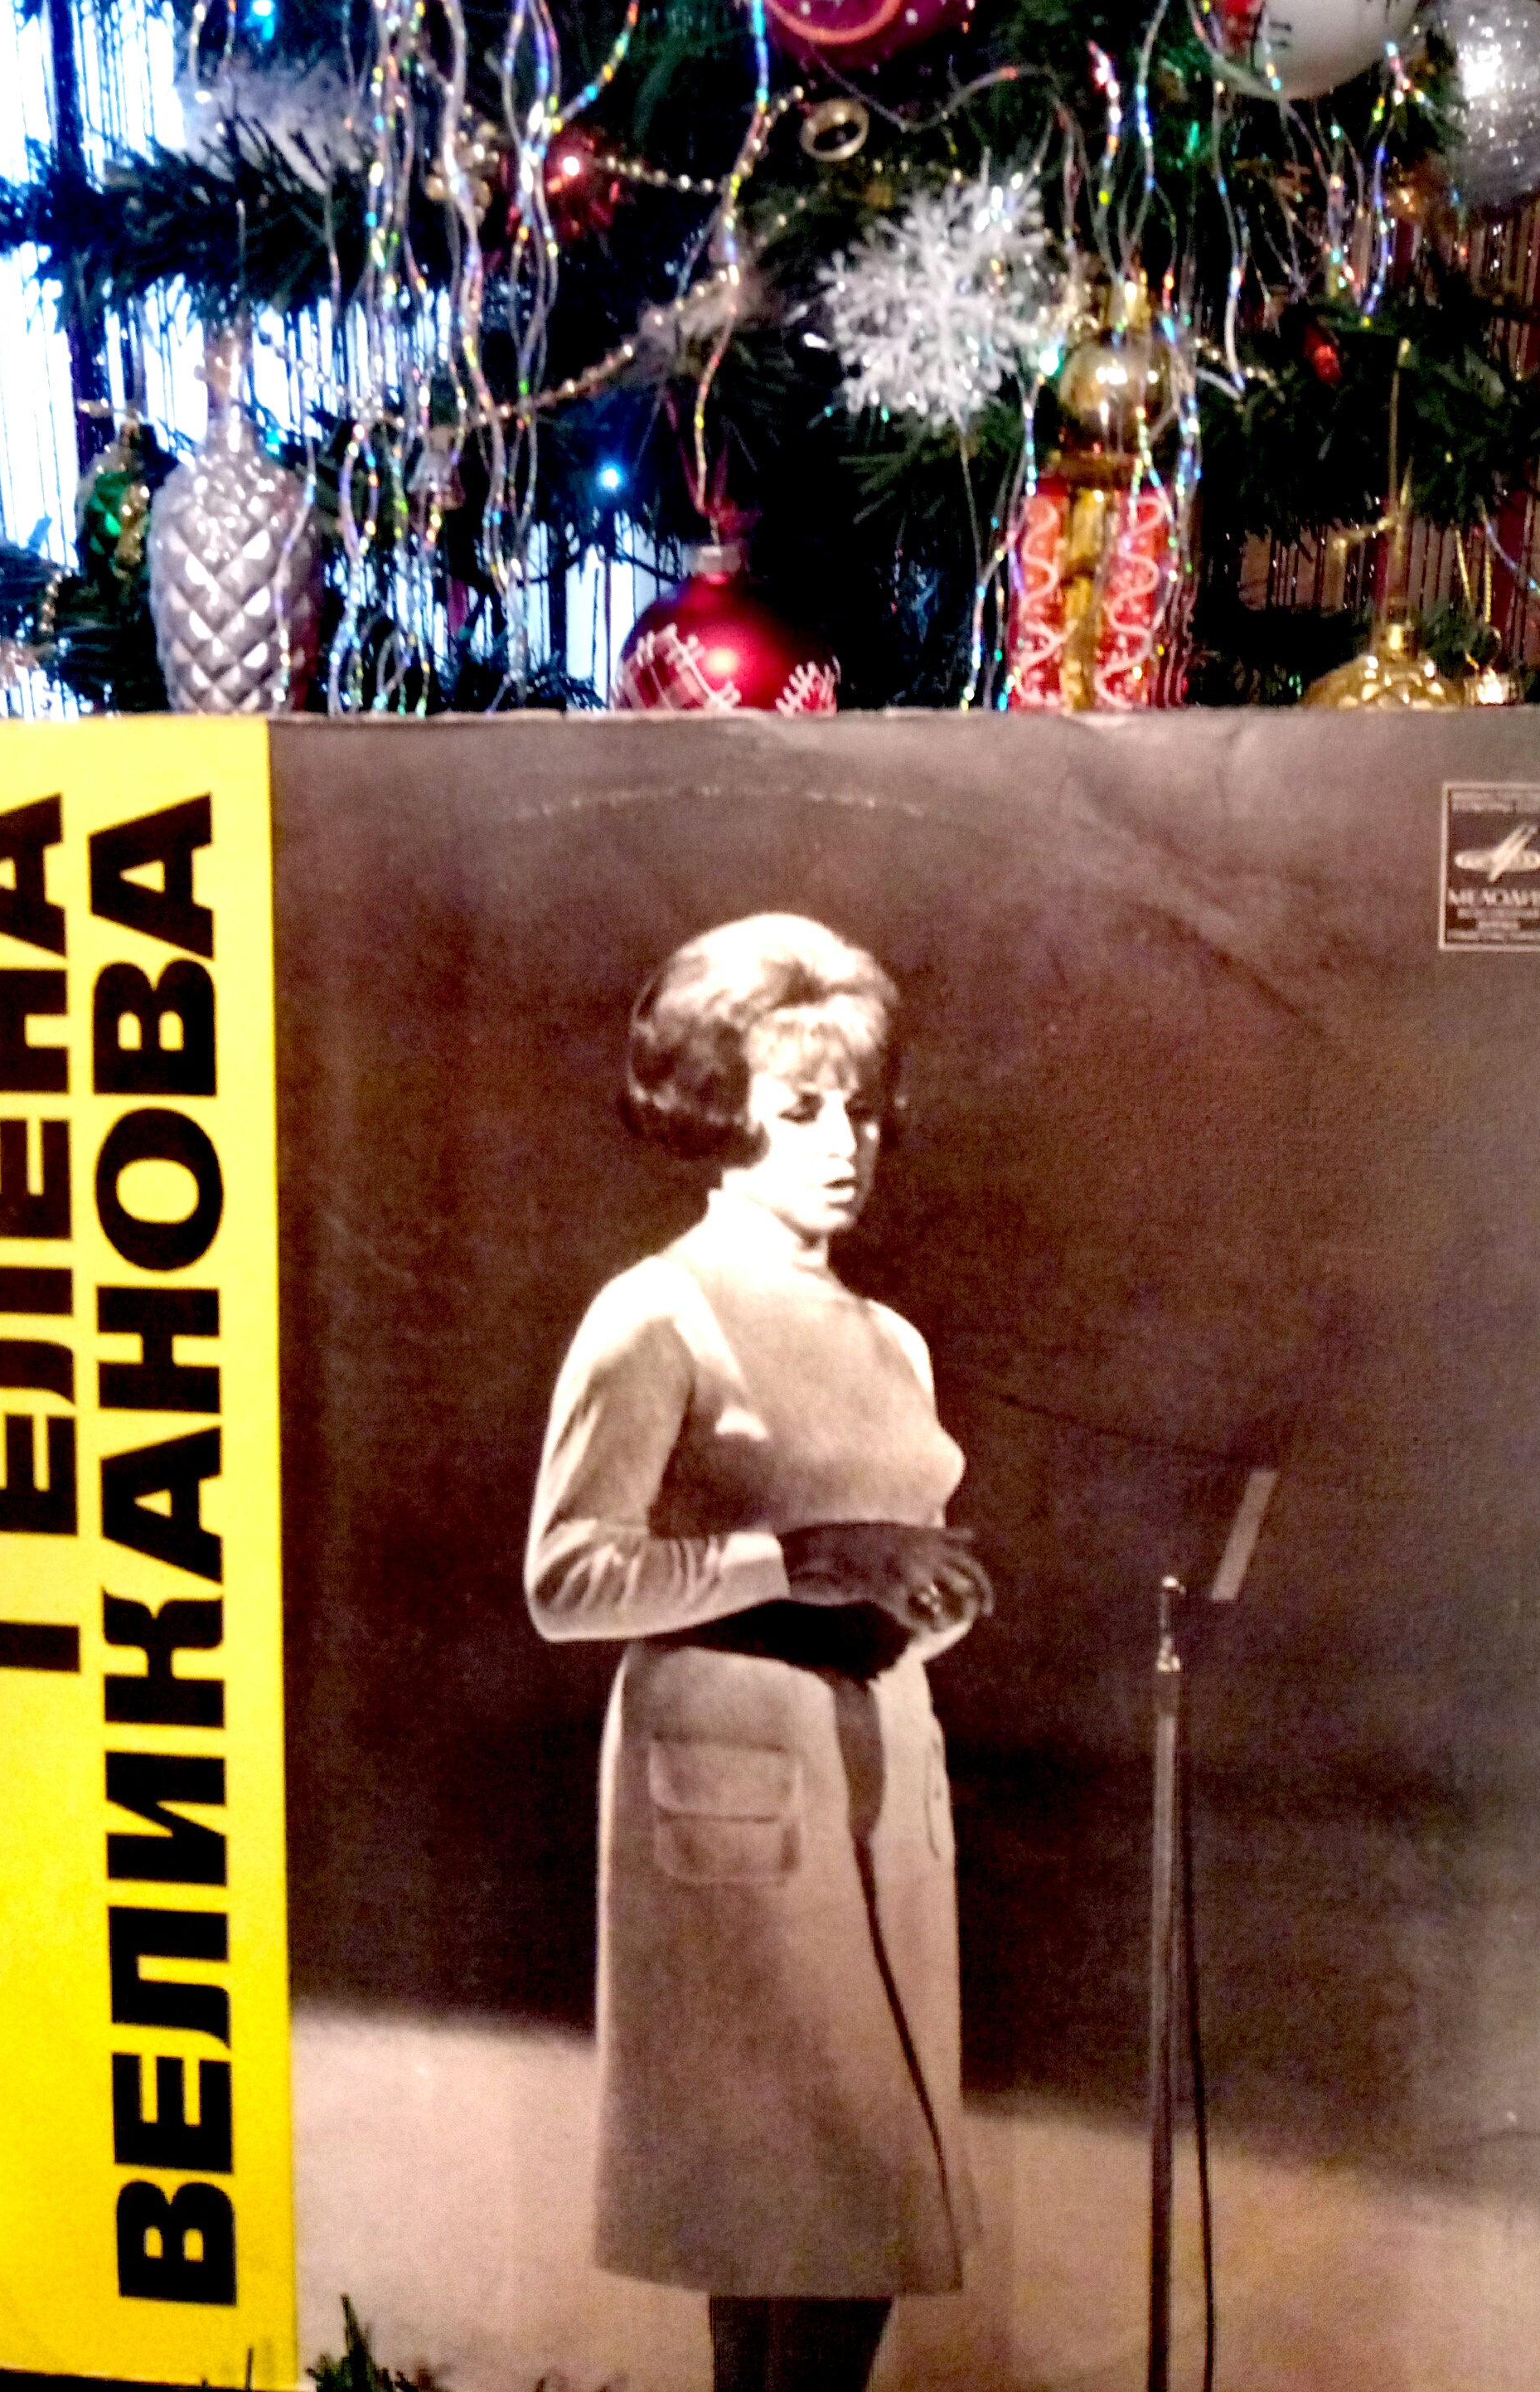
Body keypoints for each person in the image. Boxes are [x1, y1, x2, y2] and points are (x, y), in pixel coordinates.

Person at [526, 913, 992, 2392]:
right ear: (720, 1115)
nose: (843, 1143)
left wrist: (933, 1593)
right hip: (729, 1794)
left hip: (882, 1776)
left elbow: (906, 1550)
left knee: (834, 2206)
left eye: (860, 1108)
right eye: (800, 1110)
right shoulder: (655, 1312)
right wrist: (798, 1561)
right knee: (799, 2197)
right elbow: (565, 1578)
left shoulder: (895, 1342)